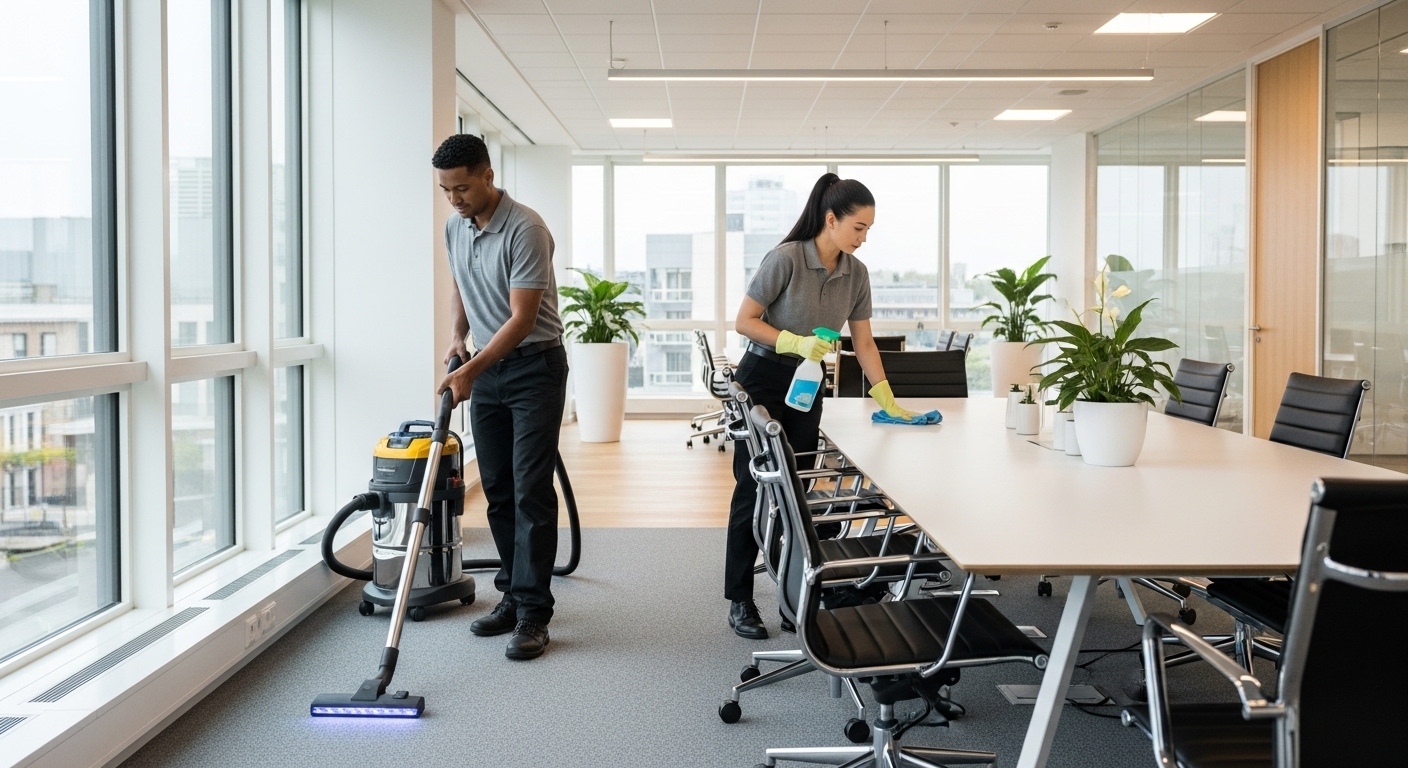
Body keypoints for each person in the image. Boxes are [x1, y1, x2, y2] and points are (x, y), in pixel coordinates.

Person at [725, 172, 921, 639]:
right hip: (763, 379)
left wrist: (886, 396)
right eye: (858, 228)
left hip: (807, 384)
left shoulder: (857, 275)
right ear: (831, 220)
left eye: (869, 229)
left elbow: (865, 343)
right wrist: (793, 340)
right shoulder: (787, 258)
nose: (864, 238)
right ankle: (739, 598)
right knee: (754, 490)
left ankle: (796, 595)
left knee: (798, 495)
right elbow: (744, 321)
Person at [432, 134, 568, 660]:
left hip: (534, 366)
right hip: (484, 367)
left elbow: (522, 319)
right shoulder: (454, 226)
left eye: (462, 187)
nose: (455, 199)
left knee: (531, 487)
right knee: (497, 488)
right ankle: (512, 594)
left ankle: (535, 612)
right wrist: (455, 338)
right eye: (446, 190)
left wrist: (471, 368)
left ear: (488, 175)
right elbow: (461, 286)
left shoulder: (527, 229)